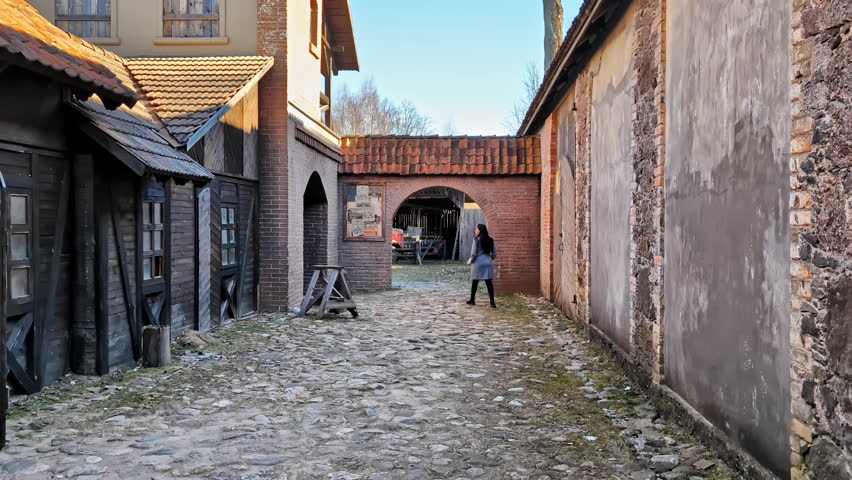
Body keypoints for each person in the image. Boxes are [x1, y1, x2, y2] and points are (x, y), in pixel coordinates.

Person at [466, 223, 497, 308]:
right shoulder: (491, 240)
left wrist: (470, 261)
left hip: (477, 263)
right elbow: (494, 254)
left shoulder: (476, 240)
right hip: (487, 262)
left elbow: (473, 253)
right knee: (489, 283)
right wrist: (489, 259)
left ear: (480, 230)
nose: (475, 230)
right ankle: (492, 302)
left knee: (475, 282)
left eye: (476, 229)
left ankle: (472, 299)